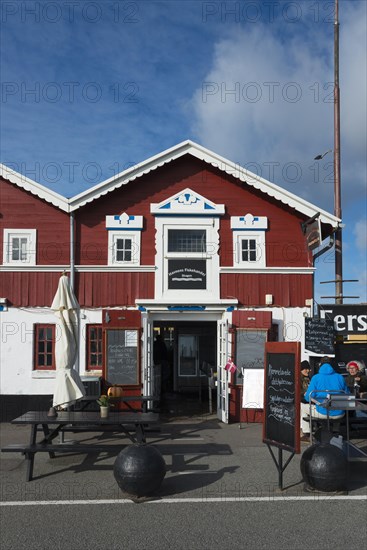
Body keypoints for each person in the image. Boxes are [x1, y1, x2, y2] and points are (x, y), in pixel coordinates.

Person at [300, 360, 311, 442]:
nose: (307, 370)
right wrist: (303, 393)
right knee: (302, 409)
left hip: (307, 399)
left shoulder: (309, 378)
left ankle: (305, 432)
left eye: (308, 369)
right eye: (305, 369)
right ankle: (303, 433)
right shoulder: (298, 378)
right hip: (300, 400)